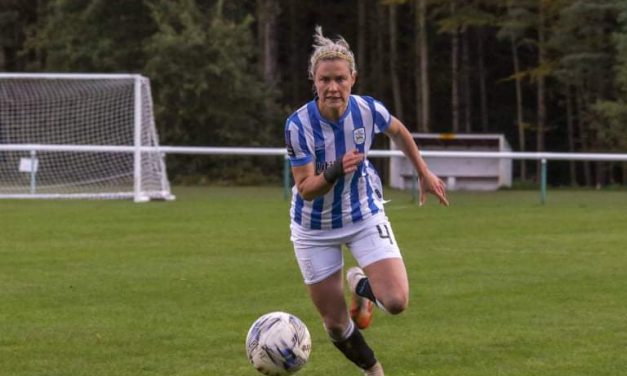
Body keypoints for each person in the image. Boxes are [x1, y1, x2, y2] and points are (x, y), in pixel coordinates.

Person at [284, 26, 448, 376]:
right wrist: (334, 172)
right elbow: (305, 188)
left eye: (340, 79)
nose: (332, 87)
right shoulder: (298, 125)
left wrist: (423, 171)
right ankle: (374, 371)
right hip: (314, 227)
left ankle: (360, 283)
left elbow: (399, 131)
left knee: (396, 302)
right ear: (313, 80)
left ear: (352, 78)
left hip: (362, 213)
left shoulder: (367, 110)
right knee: (335, 324)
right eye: (325, 79)